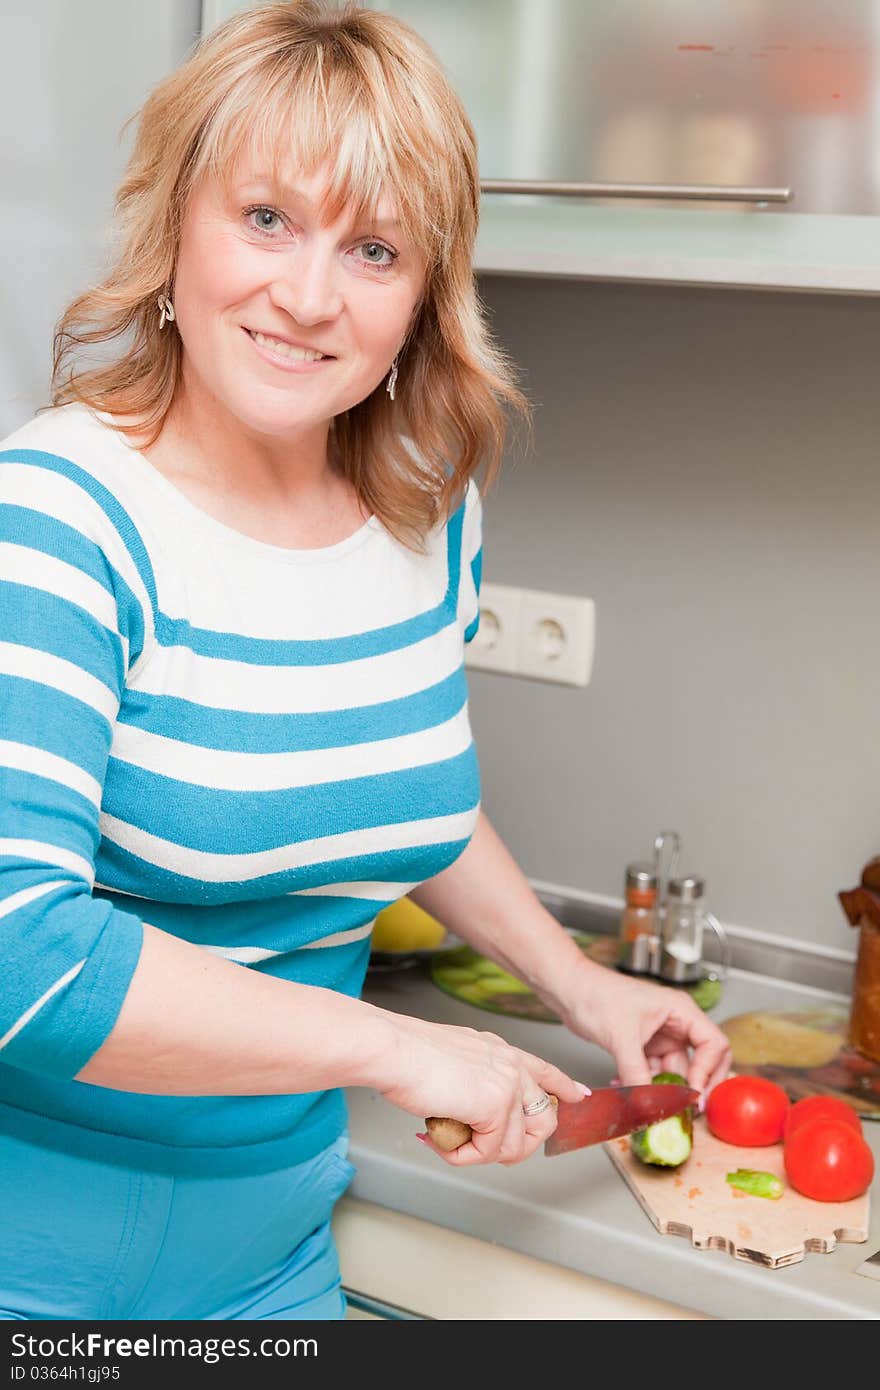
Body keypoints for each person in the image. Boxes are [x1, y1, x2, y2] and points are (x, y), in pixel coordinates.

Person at [0, 1, 730, 1321]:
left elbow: (394, 792)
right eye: (268, 218)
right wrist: (399, 1046)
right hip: (36, 1271)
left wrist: (581, 986)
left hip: (278, 1260)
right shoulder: (59, 515)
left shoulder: (424, 515)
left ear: (421, 296)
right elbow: (23, 958)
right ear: (177, 227)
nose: (309, 293)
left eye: (374, 246)